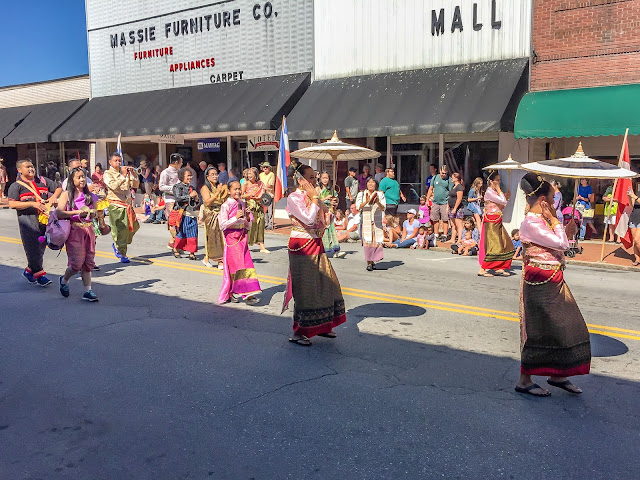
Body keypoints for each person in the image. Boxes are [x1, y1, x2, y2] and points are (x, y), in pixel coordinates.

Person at [516, 172, 590, 397]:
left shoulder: (542, 221)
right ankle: (524, 380)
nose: (554, 202)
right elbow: (561, 244)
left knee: (563, 328)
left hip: (552, 279)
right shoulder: (531, 222)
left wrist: (566, 228)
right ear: (543, 201)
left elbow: (560, 243)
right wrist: (558, 222)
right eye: (552, 198)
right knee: (537, 331)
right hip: (540, 281)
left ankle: (558, 374)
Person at [284, 164, 346, 346]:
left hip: (317, 243)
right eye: (310, 178)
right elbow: (309, 220)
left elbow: (325, 222)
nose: (314, 181)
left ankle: (323, 325)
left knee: (327, 284)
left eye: (315, 177)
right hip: (301, 246)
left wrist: (330, 209)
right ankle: (299, 332)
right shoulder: (294, 198)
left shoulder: (313, 197)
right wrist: (316, 199)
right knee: (306, 289)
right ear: (300, 180)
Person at [7, 159, 60, 286]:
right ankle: (40, 275)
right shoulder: (16, 186)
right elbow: (12, 204)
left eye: (32, 166)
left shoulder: (42, 180)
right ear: (19, 170)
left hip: (44, 221)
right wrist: (32, 204)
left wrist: (53, 198)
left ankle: (29, 271)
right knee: (32, 248)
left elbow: (58, 188)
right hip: (28, 222)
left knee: (41, 248)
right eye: (27, 167)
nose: (31, 169)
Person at [56, 167, 99, 302]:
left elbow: (96, 213)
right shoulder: (66, 195)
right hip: (74, 230)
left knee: (88, 262)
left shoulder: (90, 195)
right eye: (78, 177)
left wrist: (95, 215)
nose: (82, 180)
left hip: (89, 230)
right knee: (76, 264)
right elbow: (59, 213)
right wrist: (77, 212)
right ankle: (64, 280)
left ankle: (88, 291)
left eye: (83, 177)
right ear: (72, 179)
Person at [217, 180, 261, 305]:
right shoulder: (226, 205)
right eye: (234, 189)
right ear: (229, 191)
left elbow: (248, 226)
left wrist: (247, 218)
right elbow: (222, 225)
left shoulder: (242, 203)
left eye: (239, 189)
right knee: (237, 266)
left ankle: (245, 292)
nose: (237, 191)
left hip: (242, 238)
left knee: (246, 265)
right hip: (232, 239)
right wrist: (235, 218)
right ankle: (240, 292)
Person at [103, 152, 140, 263]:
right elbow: (113, 186)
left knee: (134, 226)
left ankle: (119, 244)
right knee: (121, 230)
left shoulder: (124, 171)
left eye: (119, 161)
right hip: (116, 205)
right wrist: (123, 176)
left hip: (127, 204)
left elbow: (135, 185)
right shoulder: (108, 173)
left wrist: (134, 175)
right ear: (110, 162)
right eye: (115, 161)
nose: (118, 163)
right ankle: (122, 252)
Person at [478, 171, 514, 277]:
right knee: (494, 245)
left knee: (505, 243)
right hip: (491, 221)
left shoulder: (494, 193)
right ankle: (483, 268)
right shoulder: (489, 192)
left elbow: (502, 205)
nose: (498, 182)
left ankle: (500, 266)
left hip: (497, 219)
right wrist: (500, 191)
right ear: (491, 181)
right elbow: (503, 201)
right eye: (497, 180)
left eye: (499, 180)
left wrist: (506, 196)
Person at [200, 167, 228, 269]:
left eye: (216, 174)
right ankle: (218, 260)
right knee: (213, 237)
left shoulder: (219, 186)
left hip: (220, 213)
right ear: (207, 177)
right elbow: (207, 202)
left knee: (222, 237)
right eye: (212, 174)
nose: (215, 176)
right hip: (211, 214)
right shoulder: (205, 188)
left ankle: (209, 258)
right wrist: (217, 192)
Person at [356, 178, 386, 270]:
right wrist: (366, 201)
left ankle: (373, 261)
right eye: (369, 182)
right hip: (366, 222)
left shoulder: (380, 195)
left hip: (376, 221)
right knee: (368, 242)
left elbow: (383, 208)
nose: (371, 184)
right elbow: (358, 207)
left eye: (373, 182)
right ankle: (369, 262)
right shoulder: (361, 194)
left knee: (376, 242)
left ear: (376, 184)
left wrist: (377, 202)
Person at [172, 168, 201, 260]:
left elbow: (196, 203)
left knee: (193, 234)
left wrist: (196, 200)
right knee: (182, 233)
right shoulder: (177, 187)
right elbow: (178, 198)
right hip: (183, 213)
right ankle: (176, 248)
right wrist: (190, 196)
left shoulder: (192, 188)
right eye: (188, 175)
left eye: (190, 175)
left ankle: (192, 252)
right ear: (182, 176)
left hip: (192, 213)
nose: (190, 177)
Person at [159, 153, 184, 250]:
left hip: (180, 198)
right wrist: (174, 188)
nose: (182, 164)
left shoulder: (180, 172)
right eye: (181, 162)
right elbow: (161, 187)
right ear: (176, 162)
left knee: (180, 220)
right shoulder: (165, 172)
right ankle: (176, 243)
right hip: (170, 199)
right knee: (173, 221)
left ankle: (172, 242)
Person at [241, 167, 268, 253]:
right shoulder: (245, 183)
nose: (249, 175)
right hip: (250, 206)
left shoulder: (260, 183)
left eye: (250, 173)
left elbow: (266, 192)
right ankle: (245, 244)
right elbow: (240, 196)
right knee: (250, 225)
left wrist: (266, 193)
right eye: (248, 174)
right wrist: (248, 194)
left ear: (255, 174)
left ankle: (262, 246)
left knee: (261, 223)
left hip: (259, 205)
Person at [317, 172, 344, 258]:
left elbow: (336, 200)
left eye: (326, 178)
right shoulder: (317, 189)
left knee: (331, 231)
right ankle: (320, 250)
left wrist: (334, 202)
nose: (325, 180)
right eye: (323, 178)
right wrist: (326, 198)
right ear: (320, 179)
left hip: (329, 212)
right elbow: (316, 201)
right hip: (320, 213)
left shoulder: (332, 190)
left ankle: (335, 250)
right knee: (321, 232)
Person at [426, 165, 453, 242]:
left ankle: (445, 234)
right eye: (443, 173)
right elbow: (430, 189)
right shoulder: (435, 178)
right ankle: (436, 234)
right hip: (435, 202)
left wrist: (449, 203)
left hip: (445, 202)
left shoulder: (449, 180)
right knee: (435, 219)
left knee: (445, 219)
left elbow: (451, 191)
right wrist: (427, 199)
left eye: (445, 173)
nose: (444, 175)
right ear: (440, 171)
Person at [447, 172, 465, 245]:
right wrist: (448, 206)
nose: (451, 179)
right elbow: (450, 197)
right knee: (453, 224)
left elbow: (459, 199)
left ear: (457, 178)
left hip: (458, 208)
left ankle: (460, 239)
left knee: (458, 224)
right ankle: (452, 239)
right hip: (451, 207)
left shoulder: (459, 187)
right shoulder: (453, 186)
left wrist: (455, 208)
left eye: (453, 177)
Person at [259, 161, 275, 229]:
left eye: (266, 167)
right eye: (264, 167)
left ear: (269, 168)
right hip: (262, 195)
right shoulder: (260, 175)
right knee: (264, 210)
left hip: (269, 195)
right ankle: (265, 223)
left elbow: (271, 185)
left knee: (270, 210)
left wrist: (264, 186)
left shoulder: (271, 174)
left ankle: (270, 224)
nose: (265, 168)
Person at [627, 183, 640, 266]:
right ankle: (637, 259)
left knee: (637, 240)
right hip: (634, 217)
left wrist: (635, 197)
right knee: (634, 241)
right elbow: (632, 205)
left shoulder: (636, 196)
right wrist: (630, 196)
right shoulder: (638, 193)